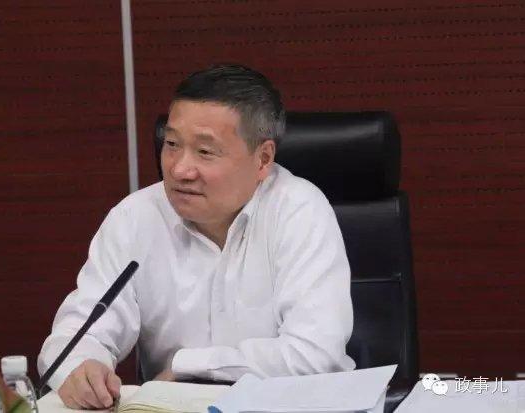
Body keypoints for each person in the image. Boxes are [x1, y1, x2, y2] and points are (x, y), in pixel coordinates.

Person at [38, 64, 355, 410]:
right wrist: (82, 366)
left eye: (205, 152)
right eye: (172, 144)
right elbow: (74, 336)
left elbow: (314, 354)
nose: (179, 169)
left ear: (263, 159)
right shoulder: (135, 218)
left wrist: (187, 366)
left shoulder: (298, 210)